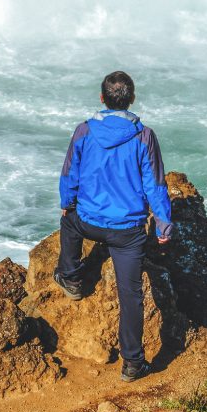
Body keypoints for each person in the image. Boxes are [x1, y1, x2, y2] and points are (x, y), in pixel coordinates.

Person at [54, 70, 172, 381]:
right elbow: (155, 185)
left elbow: (69, 175)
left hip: (88, 223)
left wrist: (68, 204)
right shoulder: (144, 136)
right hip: (128, 232)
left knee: (69, 224)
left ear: (102, 98)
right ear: (131, 99)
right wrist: (163, 227)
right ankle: (133, 364)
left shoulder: (84, 131)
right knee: (131, 295)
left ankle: (72, 279)